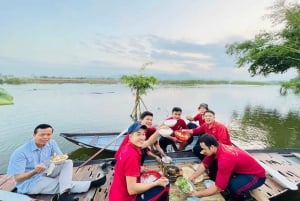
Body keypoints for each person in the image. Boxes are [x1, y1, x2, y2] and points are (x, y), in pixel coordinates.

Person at [7, 124, 106, 201]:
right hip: (29, 182)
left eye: (48, 134)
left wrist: (62, 158)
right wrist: (34, 171)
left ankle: (63, 194)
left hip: (46, 171)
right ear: (34, 135)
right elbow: (18, 178)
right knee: (59, 184)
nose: (46, 137)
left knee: (68, 162)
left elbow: (60, 157)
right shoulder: (20, 153)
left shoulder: (51, 143)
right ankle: (88, 185)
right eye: (42, 134)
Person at [189, 134, 266, 201]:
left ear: (212, 147)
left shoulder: (225, 159)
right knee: (224, 179)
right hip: (243, 170)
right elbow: (204, 164)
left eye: (204, 149)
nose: (202, 151)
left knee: (234, 187)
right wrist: (193, 176)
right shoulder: (217, 147)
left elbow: (218, 188)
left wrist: (198, 194)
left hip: (257, 176)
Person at [109, 123, 169, 201]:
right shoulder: (131, 156)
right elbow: (132, 190)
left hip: (116, 193)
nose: (142, 137)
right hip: (126, 198)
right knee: (165, 185)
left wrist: (158, 131)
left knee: (156, 179)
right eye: (138, 134)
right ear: (130, 136)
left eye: (143, 134)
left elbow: (148, 143)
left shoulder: (127, 146)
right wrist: (156, 183)